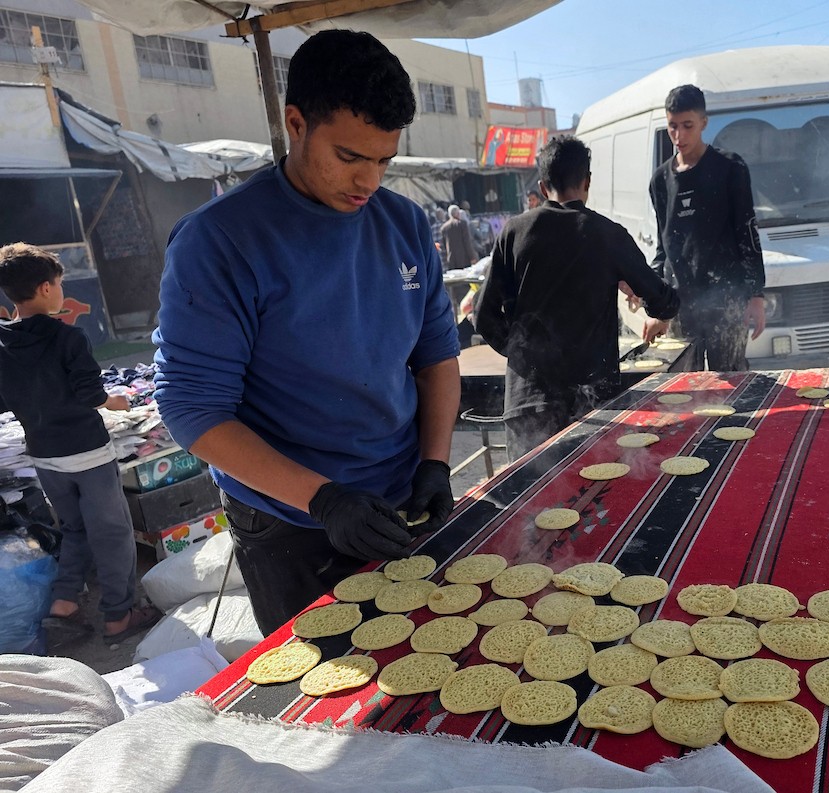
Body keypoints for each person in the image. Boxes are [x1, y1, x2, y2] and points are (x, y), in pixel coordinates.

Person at [153, 30, 461, 635]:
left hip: (397, 498)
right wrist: (323, 498)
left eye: (384, 160)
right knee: (325, 692)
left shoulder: (403, 225)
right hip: (288, 521)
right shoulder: (221, 241)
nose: (369, 181)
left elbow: (436, 358)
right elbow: (192, 409)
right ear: (296, 123)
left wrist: (435, 463)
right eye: (349, 156)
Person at [475, 136, 680, 458]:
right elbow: (662, 298)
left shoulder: (514, 232)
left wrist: (525, 356)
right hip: (593, 403)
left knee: (529, 501)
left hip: (529, 404)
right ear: (587, 182)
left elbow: (483, 318)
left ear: (543, 187)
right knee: (596, 499)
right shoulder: (607, 234)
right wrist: (660, 311)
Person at [0, 243, 160, 643]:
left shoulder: (4, 343)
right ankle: (119, 617)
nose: (61, 290)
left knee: (74, 528)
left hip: (44, 455)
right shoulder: (68, 337)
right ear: (43, 288)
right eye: (59, 283)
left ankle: (65, 604)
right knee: (114, 534)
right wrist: (116, 401)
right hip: (87, 454)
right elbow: (91, 392)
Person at [647, 84, 766, 371]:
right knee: (681, 388)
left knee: (731, 385)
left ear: (703, 123)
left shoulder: (730, 168)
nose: (679, 135)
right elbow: (663, 249)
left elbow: (747, 232)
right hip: (679, 304)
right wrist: (654, 303)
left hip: (726, 300)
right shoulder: (660, 181)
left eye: (687, 125)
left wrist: (756, 294)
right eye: (673, 126)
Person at [440, 205, 477, 270]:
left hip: (451, 259)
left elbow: (444, 246)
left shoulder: (444, 228)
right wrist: (472, 257)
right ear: (458, 213)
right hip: (464, 258)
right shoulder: (462, 224)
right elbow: (467, 242)